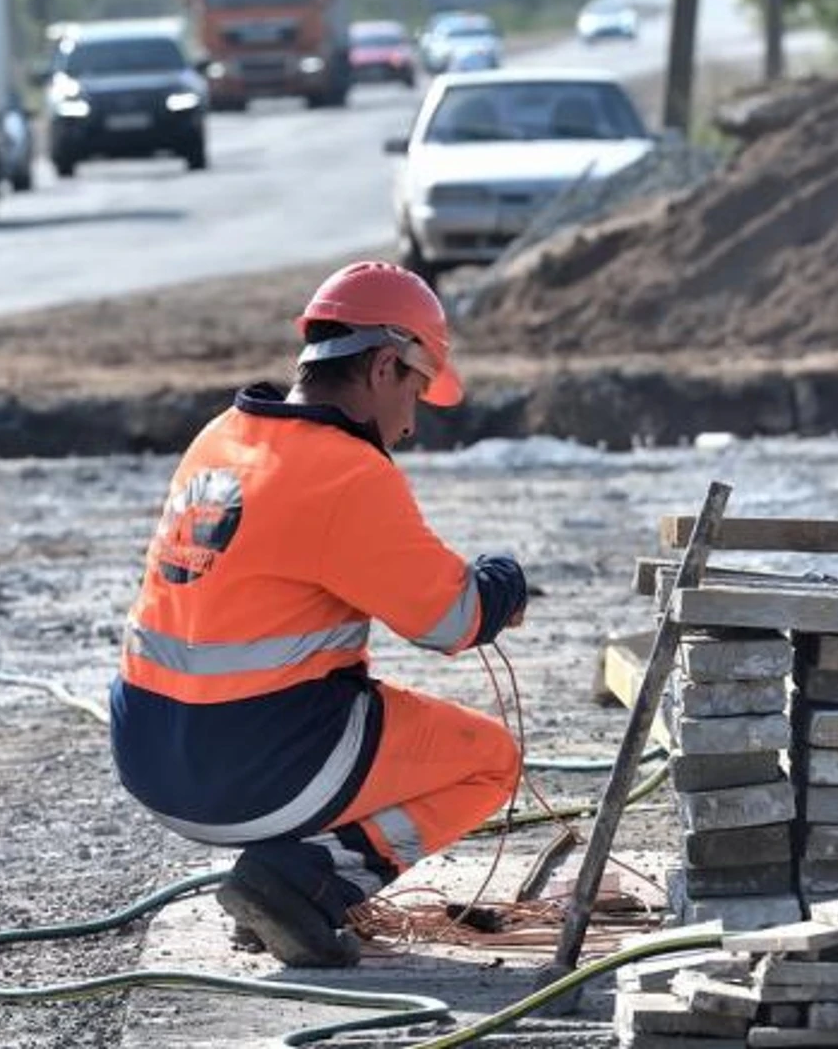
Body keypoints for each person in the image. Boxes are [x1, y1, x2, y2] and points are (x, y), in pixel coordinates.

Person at [109, 261, 529, 967]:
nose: (411, 424)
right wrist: (505, 583)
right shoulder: (344, 473)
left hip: (150, 756)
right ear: (384, 368)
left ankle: (276, 882)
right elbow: (452, 622)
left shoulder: (223, 437)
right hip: (245, 769)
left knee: (342, 709)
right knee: (489, 762)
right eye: (416, 393)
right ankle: (300, 885)